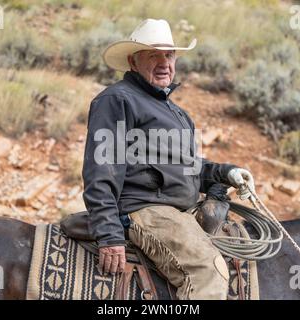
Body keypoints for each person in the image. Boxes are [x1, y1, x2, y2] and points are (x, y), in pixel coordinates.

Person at [82, 18, 255, 299]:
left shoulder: (178, 113)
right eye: (154, 54)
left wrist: (227, 172)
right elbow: (101, 169)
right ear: (133, 61)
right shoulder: (117, 99)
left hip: (177, 212)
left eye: (169, 54)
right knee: (207, 270)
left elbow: (191, 168)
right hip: (147, 210)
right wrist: (108, 232)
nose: (164, 62)